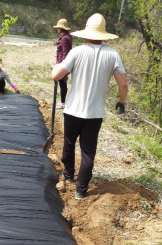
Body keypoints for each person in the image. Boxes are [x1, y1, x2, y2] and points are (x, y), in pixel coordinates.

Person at [51, 13, 128, 200]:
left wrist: (55, 67)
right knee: (88, 151)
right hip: (95, 113)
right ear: (103, 35)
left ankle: (68, 176)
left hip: (73, 111)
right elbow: (123, 84)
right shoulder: (113, 54)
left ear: (85, 33)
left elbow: (57, 75)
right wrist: (122, 102)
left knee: (69, 144)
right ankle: (81, 190)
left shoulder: (77, 52)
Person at [53, 19, 72, 109]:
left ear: (61, 28)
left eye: (58, 28)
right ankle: (62, 101)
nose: (57, 30)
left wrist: (63, 66)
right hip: (63, 63)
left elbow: (65, 53)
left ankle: (62, 102)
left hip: (62, 63)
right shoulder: (67, 37)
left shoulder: (64, 39)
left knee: (62, 83)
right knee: (62, 83)